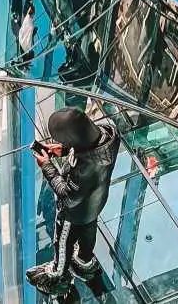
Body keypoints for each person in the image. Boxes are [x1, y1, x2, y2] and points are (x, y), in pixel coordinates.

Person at [25, 107, 120, 295]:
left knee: (63, 242)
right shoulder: (109, 134)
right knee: (88, 232)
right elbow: (87, 144)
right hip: (95, 204)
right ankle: (84, 261)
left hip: (74, 213)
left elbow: (67, 196)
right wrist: (66, 149)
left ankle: (58, 274)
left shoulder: (85, 171)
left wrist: (47, 167)